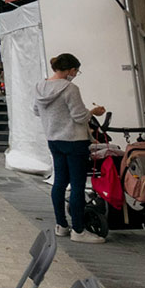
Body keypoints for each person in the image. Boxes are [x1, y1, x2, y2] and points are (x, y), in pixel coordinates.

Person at [33, 53, 104, 243]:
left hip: (53, 139)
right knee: (77, 185)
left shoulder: (40, 86)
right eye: (76, 71)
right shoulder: (70, 89)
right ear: (71, 70)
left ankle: (61, 225)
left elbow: (35, 110)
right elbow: (80, 116)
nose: (76, 74)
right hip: (74, 140)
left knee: (59, 182)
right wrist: (93, 112)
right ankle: (79, 230)